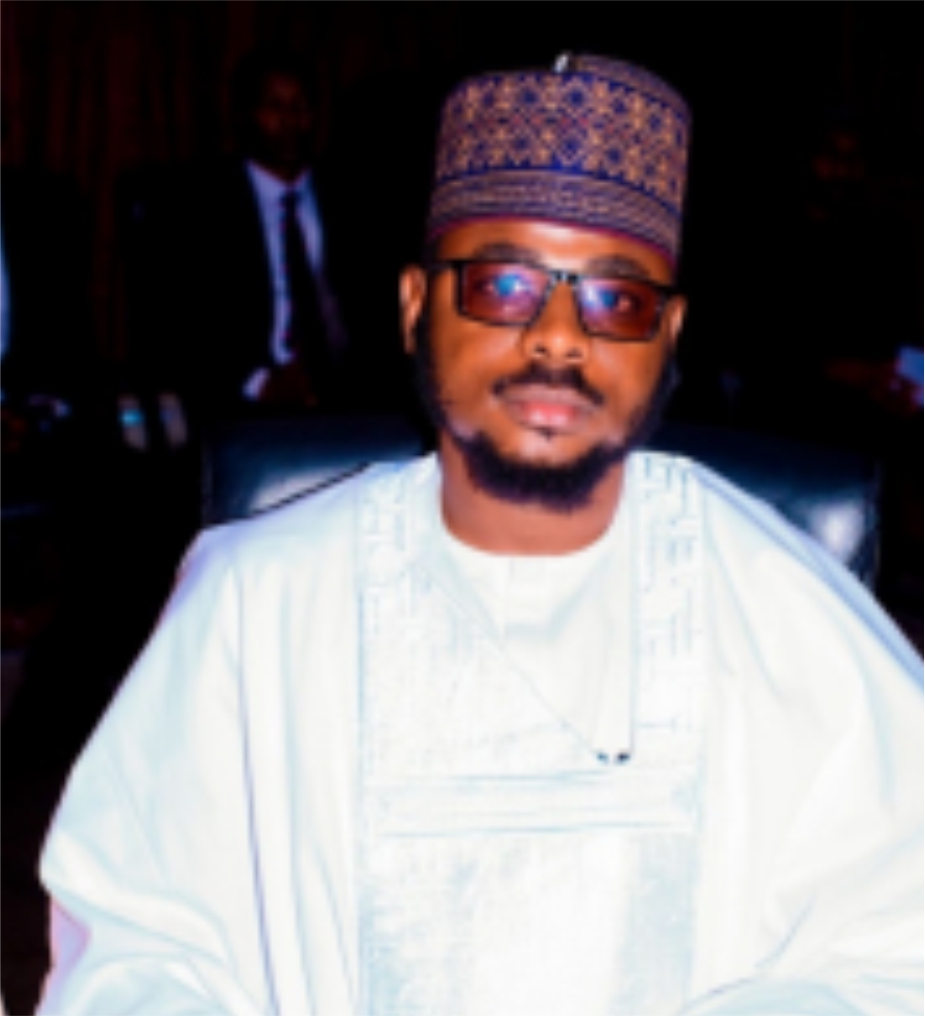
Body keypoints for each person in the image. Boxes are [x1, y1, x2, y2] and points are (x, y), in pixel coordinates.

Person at [37, 54, 921, 1016]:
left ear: (667, 336)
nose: (558, 337)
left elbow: (897, 949)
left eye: (615, 301)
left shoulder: (776, 601)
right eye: (503, 286)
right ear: (415, 306)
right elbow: (136, 952)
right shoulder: (259, 598)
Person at [124, 46, 351, 424]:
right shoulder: (196, 205)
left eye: (301, 106)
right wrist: (259, 384)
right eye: (274, 107)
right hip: (239, 402)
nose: (290, 121)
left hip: (345, 399)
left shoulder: (347, 197)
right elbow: (174, 326)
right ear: (244, 115)